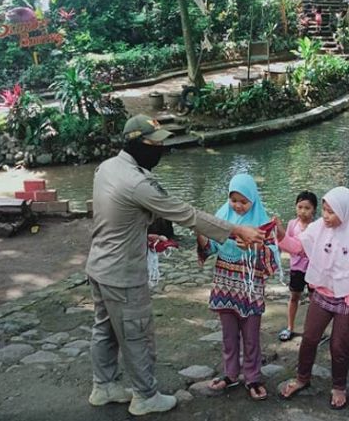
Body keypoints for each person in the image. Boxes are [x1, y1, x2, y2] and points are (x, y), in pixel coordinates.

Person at [86, 114, 264, 416]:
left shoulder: (107, 168)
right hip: (123, 274)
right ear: (136, 144)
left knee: (105, 330)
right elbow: (186, 214)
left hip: (99, 266)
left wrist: (143, 234)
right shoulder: (137, 182)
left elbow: (117, 218)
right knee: (136, 333)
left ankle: (103, 386)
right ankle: (144, 396)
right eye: (155, 144)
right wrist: (237, 230)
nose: (160, 149)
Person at [276, 187, 349, 410]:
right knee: (309, 338)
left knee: (339, 346)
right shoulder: (318, 227)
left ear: (346, 212)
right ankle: (302, 377)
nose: (325, 216)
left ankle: (339, 386)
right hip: (322, 292)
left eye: (331, 212)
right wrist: (281, 235)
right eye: (325, 210)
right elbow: (298, 247)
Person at [197, 174, 278, 401]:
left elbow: (271, 261)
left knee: (251, 336)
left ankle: (252, 377)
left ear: (253, 199)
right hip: (225, 285)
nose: (238, 206)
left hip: (250, 288)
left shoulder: (262, 223)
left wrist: (257, 245)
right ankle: (230, 373)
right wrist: (200, 232)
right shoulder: (222, 217)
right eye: (234, 200)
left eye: (244, 201)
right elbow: (209, 248)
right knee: (228, 334)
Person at [278, 190, 318, 342]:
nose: (303, 211)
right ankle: (290, 327)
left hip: (313, 269)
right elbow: (286, 242)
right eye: (300, 207)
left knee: (315, 300)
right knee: (294, 296)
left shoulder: (317, 226)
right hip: (296, 268)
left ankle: (312, 331)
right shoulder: (292, 224)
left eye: (307, 208)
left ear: (314, 209)